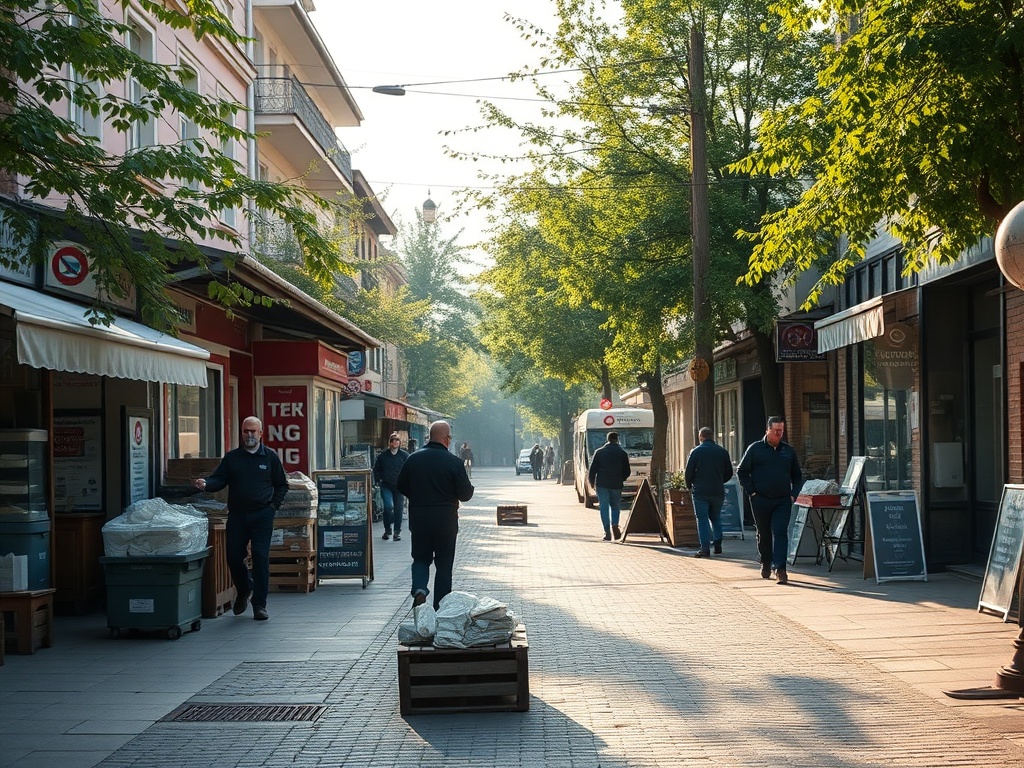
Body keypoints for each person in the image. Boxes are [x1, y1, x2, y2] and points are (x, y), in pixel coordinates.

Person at [194, 416, 288, 621]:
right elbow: (220, 479)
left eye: (253, 431)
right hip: (237, 514)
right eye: (246, 431)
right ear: (242, 433)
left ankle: (260, 605)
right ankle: (245, 588)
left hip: (262, 514)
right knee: (234, 557)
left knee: (260, 557)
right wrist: (206, 484)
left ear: (261, 434)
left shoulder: (270, 457)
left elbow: (282, 485)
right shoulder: (232, 458)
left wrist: (272, 507)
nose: (249, 435)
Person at [397, 420, 474, 610]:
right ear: (446, 439)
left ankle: (420, 590)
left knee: (421, 559)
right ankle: (441, 608)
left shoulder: (413, 459)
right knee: (444, 566)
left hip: (420, 520)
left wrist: (418, 497)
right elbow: (465, 495)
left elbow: (401, 485)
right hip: (445, 522)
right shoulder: (455, 462)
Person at [737, 416, 803, 585]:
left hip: (782, 500)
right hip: (760, 499)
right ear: (767, 430)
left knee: (780, 532)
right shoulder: (755, 449)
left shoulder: (788, 451)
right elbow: (742, 471)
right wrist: (751, 492)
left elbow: (797, 475)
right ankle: (766, 561)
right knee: (764, 534)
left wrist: (793, 493)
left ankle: (780, 569)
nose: (779, 434)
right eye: (776, 431)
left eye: (781, 431)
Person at [684, 426, 734, 558]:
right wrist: (720, 481)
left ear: (701, 437)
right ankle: (718, 542)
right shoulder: (722, 452)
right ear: (712, 437)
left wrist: (689, 485)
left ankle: (705, 548)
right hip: (717, 490)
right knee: (716, 517)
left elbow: (688, 472)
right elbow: (729, 471)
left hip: (700, 491)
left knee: (702, 519)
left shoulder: (696, 452)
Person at [588, 431, 632, 541]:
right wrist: (621, 478)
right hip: (616, 484)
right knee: (615, 506)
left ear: (607, 439)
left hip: (602, 483)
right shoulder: (622, 453)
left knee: (604, 506)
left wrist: (592, 482)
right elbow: (627, 471)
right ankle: (615, 526)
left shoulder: (599, 452)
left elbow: (592, 470)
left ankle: (607, 531)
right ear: (617, 440)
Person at [373, 432, 409, 542]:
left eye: (397, 441)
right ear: (390, 442)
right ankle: (387, 529)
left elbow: (409, 469)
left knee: (398, 508)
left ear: (399, 443)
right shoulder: (383, 456)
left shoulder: (404, 455)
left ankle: (397, 532)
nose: (395, 443)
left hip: (399, 486)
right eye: (393, 441)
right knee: (388, 507)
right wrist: (378, 480)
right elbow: (376, 469)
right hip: (386, 485)